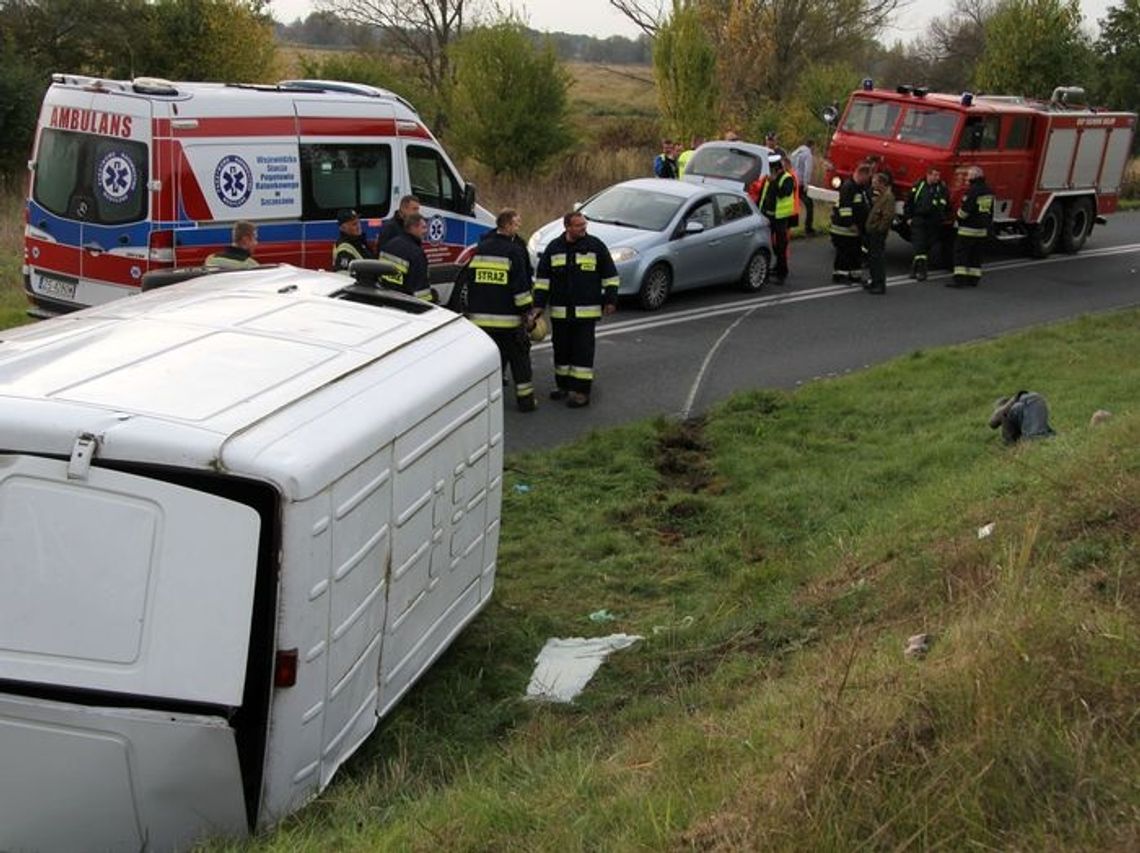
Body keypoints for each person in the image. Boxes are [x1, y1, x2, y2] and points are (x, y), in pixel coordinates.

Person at [533, 211, 619, 408]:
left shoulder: (595, 246)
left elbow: (611, 276)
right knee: (561, 351)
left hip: (586, 314)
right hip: (560, 313)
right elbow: (543, 281)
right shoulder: (554, 248)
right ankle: (563, 386)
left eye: (584, 225)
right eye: (579, 226)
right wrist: (538, 306)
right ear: (567, 227)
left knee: (582, 353)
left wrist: (610, 300)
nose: (583, 229)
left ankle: (580, 392)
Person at [459, 209, 538, 412]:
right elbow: (520, 289)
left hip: (481, 321)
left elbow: (469, 283)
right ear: (508, 226)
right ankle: (526, 401)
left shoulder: (479, 249)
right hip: (509, 322)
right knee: (520, 361)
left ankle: (485, 401)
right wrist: (527, 313)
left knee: (489, 361)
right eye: (516, 224)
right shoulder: (513, 252)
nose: (518, 228)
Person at [950, 166, 995, 288]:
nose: (967, 177)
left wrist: (957, 217)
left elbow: (965, 211)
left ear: (974, 177)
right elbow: (990, 211)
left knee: (961, 254)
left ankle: (959, 280)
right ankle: (973, 279)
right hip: (981, 230)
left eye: (968, 175)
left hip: (968, 229)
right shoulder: (989, 191)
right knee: (976, 255)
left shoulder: (972, 191)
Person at [758, 152, 797, 285]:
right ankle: (771, 269)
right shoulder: (769, 178)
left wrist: (774, 182)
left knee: (781, 246)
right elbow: (763, 195)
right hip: (767, 216)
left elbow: (782, 194)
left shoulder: (787, 178)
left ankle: (782, 273)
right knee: (768, 245)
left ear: (777, 168)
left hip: (780, 218)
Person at [905, 166, 949, 281]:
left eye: (938, 175)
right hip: (919, 219)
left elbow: (946, 204)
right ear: (928, 175)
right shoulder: (919, 186)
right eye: (935, 175)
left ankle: (914, 269)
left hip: (933, 222)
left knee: (926, 246)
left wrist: (943, 218)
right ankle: (922, 272)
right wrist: (908, 217)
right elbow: (909, 202)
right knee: (919, 245)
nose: (937, 178)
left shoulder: (941, 188)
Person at [830, 163, 871, 284]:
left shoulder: (860, 188)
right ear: (861, 174)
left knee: (855, 253)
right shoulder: (848, 187)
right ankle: (840, 275)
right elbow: (845, 209)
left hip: (855, 229)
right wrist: (851, 224)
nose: (868, 180)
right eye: (867, 177)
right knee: (844, 253)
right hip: (843, 229)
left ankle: (855, 275)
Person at [378, 212, 433, 301]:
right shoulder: (416, 253)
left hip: (384, 298)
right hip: (404, 303)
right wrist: (428, 304)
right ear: (413, 228)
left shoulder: (389, 245)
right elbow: (420, 288)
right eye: (423, 227)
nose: (426, 231)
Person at [863, 171, 895, 295]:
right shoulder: (881, 195)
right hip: (874, 231)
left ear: (882, 183)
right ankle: (874, 281)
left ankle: (879, 284)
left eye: (875, 182)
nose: (873, 185)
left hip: (878, 233)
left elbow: (887, 216)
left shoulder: (888, 197)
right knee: (872, 257)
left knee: (877, 259)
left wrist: (879, 229)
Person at [988, 391, 1055, 444]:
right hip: (1032, 434)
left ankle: (1039, 437)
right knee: (1033, 398)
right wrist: (1015, 398)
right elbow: (992, 423)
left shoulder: (1019, 408)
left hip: (1033, 432)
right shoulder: (1005, 413)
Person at [789, 138, 816, 235]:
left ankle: (789, 228)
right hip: (800, 183)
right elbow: (807, 170)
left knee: (791, 204)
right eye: (814, 148)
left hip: (792, 180)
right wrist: (806, 184)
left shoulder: (796, 152)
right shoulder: (808, 155)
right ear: (812, 146)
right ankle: (808, 228)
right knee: (809, 204)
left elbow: (790, 164)